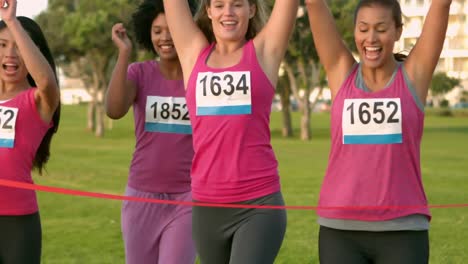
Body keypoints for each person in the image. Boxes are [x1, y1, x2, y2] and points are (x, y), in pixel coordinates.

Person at [305, 0, 451, 263]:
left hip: (403, 231)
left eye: (381, 29)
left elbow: (441, 4)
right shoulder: (341, 72)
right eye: (363, 29)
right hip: (340, 232)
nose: (371, 38)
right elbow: (314, 4)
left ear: (397, 31)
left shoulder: (413, 76)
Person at [162, 0, 298, 263]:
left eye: (237, 4)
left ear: (252, 9)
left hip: (258, 204)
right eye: (220, 5)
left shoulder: (263, 52)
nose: (228, 12)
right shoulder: (193, 54)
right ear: (209, 11)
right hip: (206, 206)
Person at [105, 0, 198, 263]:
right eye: (157, 31)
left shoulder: (199, 76)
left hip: (188, 198)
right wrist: (124, 53)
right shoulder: (140, 73)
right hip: (142, 196)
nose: (165, 37)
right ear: (148, 33)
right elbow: (114, 109)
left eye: (171, 29)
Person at [0, 0, 61, 263]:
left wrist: (12, 22)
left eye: (19, 46)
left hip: (17, 221)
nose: (10, 54)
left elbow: (47, 81)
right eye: (3, 45)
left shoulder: (37, 100)